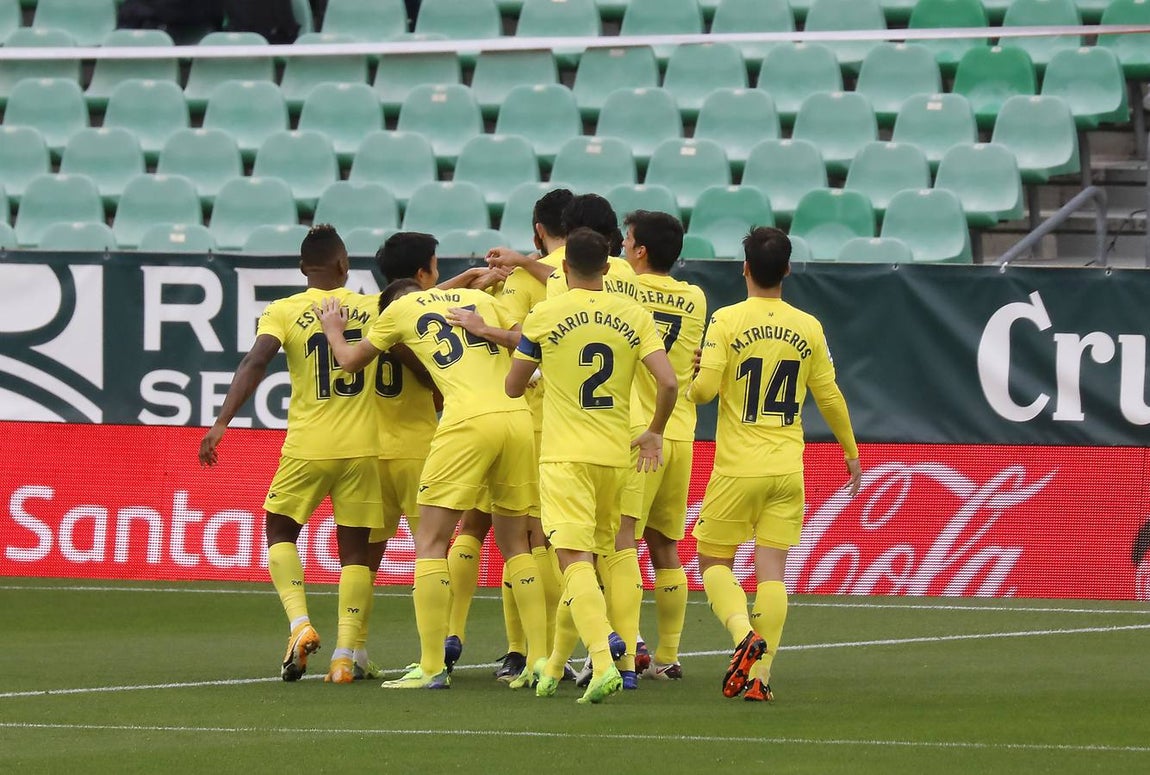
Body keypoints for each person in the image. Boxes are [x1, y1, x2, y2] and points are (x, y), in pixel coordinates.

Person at [315, 274, 545, 691]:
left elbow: (349, 360)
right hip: (517, 419)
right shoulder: (477, 298)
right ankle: (540, 662)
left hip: (466, 425)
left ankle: (432, 665)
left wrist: (334, 330)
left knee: (431, 542)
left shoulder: (398, 312)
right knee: (517, 545)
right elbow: (528, 340)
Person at [497, 227, 678, 703]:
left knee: (571, 560)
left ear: (562, 268)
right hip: (615, 454)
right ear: (607, 267)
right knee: (601, 557)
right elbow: (669, 383)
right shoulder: (634, 314)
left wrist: (542, 372)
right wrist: (655, 430)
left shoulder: (544, 314)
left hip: (564, 456)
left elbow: (514, 386)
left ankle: (601, 661)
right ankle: (556, 664)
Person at [198, 224, 383, 685]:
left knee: (279, 529)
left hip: (308, 445)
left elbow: (255, 362)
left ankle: (300, 623)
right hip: (364, 447)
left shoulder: (282, 311)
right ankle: (344, 656)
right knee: (356, 551)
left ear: (303, 268)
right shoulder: (370, 306)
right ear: (345, 265)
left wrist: (223, 421)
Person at [687, 226, 862, 702]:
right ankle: (760, 680)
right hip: (788, 468)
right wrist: (850, 451)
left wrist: (691, 377)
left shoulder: (726, 320)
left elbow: (702, 393)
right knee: (772, 572)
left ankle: (743, 634)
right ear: (787, 269)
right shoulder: (809, 327)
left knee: (712, 561)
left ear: (744, 267)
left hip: (738, 467)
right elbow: (829, 395)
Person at [354, 231, 506, 680]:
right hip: (428, 442)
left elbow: (413, 305)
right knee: (453, 544)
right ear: (424, 272)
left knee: (367, 554)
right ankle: (457, 653)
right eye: (436, 266)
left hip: (368, 447)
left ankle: (355, 650)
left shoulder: (374, 309)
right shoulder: (441, 308)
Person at [447, 187, 574, 683]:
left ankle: (475, 639)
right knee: (538, 538)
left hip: (509, 408)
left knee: (479, 527)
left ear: (539, 229)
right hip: (560, 423)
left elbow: (517, 337)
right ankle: (542, 651)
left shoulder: (523, 276)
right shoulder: (596, 274)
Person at [613, 210, 706, 686]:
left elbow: (574, 271)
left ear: (640, 250)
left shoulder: (622, 286)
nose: (622, 247)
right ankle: (668, 656)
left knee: (621, 538)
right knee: (666, 545)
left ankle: (624, 649)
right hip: (681, 434)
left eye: (627, 240)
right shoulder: (696, 297)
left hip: (639, 433)